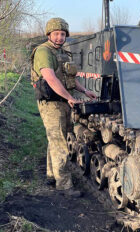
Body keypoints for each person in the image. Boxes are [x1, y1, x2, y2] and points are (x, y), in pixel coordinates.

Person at [30, 18, 96, 195]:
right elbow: (50, 78)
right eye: (56, 34)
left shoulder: (62, 53)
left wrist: (85, 91)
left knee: (56, 139)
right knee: (60, 144)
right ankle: (65, 185)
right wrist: (70, 98)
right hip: (52, 104)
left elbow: (70, 80)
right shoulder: (43, 52)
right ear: (49, 34)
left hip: (63, 103)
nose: (59, 37)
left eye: (63, 34)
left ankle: (52, 175)